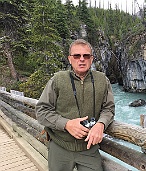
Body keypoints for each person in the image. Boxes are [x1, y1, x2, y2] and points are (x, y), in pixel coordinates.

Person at [36, 39, 115, 171]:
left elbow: (109, 108)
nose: (82, 59)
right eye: (77, 56)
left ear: (92, 59)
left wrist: (101, 124)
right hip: (60, 147)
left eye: (86, 56)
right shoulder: (57, 80)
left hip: (89, 149)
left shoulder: (103, 80)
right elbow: (41, 111)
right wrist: (66, 124)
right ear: (70, 59)